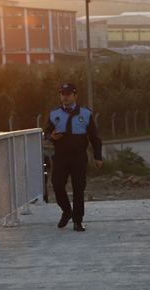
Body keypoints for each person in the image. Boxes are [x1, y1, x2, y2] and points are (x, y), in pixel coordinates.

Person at [43, 82, 103, 232]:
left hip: (78, 157)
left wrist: (98, 156)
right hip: (61, 156)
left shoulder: (85, 114)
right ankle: (66, 210)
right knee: (57, 185)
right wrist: (51, 137)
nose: (65, 97)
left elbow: (94, 137)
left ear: (75, 95)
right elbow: (46, 133)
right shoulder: (54, 114)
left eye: (68, 94)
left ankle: (78, 220)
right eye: (62, 94)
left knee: (78, 189)